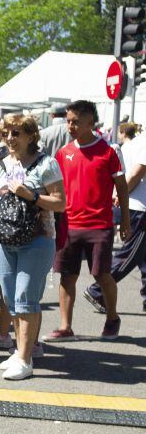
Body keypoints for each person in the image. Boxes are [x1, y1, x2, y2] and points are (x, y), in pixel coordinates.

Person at [0, 114, 66, 380]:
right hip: (4, 240)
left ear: (31, 136)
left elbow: (60, 203)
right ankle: (20, 349)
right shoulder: (2, 165)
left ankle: (25, 358)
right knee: (10, 298)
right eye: (7, 133)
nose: (10, 138)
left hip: (37, 240)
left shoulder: (47, 164)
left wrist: (30, 194)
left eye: (16, 133)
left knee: (25, 298)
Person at [46, 100, 131, 341]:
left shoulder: (109, 151)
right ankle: (65, 327)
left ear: (91, 124)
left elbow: (122, 188)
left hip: (99, 225)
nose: (70, 126)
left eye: (76, 122)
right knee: (67, 275)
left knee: (102, 275)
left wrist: (124, 220)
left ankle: (112, 318)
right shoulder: (64, 153)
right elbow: (55, 189)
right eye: (68, 121)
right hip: (68, 225)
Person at [85, 128, 146, 313]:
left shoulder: (133, 142)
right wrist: (122, 194)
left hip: (135, 204)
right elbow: (137, 172)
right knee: (129, 254)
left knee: (142, 256)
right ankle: (97, 290)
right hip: (140, 206)